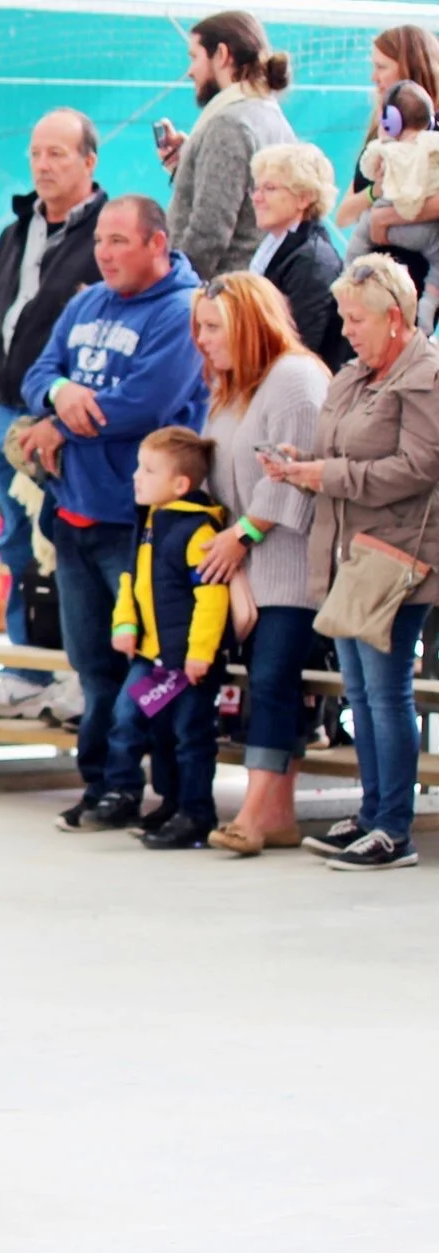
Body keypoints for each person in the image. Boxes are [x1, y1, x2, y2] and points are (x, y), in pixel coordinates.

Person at [19, 196, 208, 831]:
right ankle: (105, 785)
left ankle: (165, 791)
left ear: (157, 244)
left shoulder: (181, 311)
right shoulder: (85, 301)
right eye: (100, 240)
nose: (103, 252)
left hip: (138, 527)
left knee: (146, 670)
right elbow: (36, 371)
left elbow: (145, 405)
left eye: (119, 241)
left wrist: (61, 427)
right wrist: (57, 394)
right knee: (93, 669)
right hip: (74, 516)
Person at [267, 255, 439, 872]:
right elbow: (335, 451)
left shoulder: (425, 378)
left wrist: (326, 475)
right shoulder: (351, 375)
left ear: (395, 319)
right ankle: (372, 814)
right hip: (347, 554)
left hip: (395, 561)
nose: (347, 328)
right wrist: (297, 462)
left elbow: (420, 468)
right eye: (342, 315)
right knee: (361, 695)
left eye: (356, 318)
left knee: (386, 696)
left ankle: (393, 828)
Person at [0, 108, 108, 723]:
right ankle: (25, 670)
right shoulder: (18, 228)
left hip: (68, 423)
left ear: (88, 162)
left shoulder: (108, 231)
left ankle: (81, 673)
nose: (44, 166)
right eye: (36, 154)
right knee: (15, 544)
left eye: (58, 154)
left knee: (70, 547)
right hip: (5, 409)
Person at [189, 273, 328, 855]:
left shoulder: (294, 379)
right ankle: (277, 814)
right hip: (243, 569)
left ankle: (253, 810)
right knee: (264, 687)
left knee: (272, 683)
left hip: (289, 569)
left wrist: (241, 535)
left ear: (248, 326)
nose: (202, 339)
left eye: (214, 327)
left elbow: (297, 477)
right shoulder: (230, 389)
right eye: (199, 326)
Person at [87, 427, 229, 847]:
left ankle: (196, 813)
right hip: (152, 656)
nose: (137, 477)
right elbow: (132, 579)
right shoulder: (150, 522)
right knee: (135, 723)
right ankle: (160, 800)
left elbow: (211, 597)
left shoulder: (198, 532)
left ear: (180, 484)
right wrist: (125, 625)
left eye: (148, 470)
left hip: (188, 664)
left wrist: (200, 653)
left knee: (191, 736)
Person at [155, 10, 295, 281]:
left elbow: (209, 232)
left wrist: (170, 292)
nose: (189, 71)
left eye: (194, 57)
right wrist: (189, 165)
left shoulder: (228, 125)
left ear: (221, 54)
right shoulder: (273, 117)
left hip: (218, 296)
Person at [333, 25, 439, 294]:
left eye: (381, 67)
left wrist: (383, 218)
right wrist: (373, 194)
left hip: (417, 272)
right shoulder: (380, 131)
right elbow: (344, 214)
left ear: (408, 68)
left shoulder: (432, 135)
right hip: (375, 269)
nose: (373, 77)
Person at [247, 142, 351, 369]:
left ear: (304, 198)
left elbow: (300, 345)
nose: (256, 198)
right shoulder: (275, 245)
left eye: (270, 188)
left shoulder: (313, 261)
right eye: (256, 188)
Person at [346, 81, 439, 320]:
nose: (376, 77)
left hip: (393, 226)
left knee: (363, 229)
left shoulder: (388, 148)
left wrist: (381, 142)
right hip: (427, 234)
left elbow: (367, 170)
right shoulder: (432, 143)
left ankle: (348, 276)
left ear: (392, 121)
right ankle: (428, 309)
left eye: (381, 67)